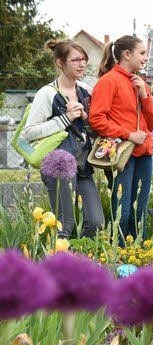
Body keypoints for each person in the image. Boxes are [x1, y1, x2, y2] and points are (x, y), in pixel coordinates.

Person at [23, 39, 104, 239]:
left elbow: (94, 131)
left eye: (84, 59)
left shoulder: (86, 90)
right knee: (64, 225)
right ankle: (57, 266)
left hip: (83, 164)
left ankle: (83, 264)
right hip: (57, 163)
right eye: (75, 60)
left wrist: (85, 119)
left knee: (96, 223)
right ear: (61, 63)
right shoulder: (47, 93)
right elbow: (29, 132)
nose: (82, 64)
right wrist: (65, 118)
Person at [89, 35, 153, 244]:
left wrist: (144, 95)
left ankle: (139, 257)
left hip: (144, 153)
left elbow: (152, 124)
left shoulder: (139, 82)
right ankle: (118, 259)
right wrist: (128, 134)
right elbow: (96, 119)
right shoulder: (109, 81)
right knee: (124, 210)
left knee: (140, 211)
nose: (146, 58)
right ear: (127, 54)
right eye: (142, 53)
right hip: (122, 154)